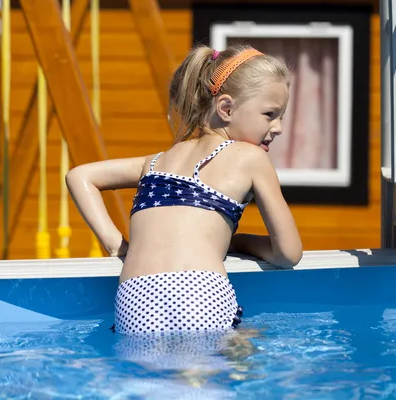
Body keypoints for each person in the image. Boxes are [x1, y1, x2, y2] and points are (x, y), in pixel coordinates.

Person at [66, 44, 303, 336]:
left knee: (149, 378)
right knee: (237, 354)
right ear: (226, 108)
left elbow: (80, 176)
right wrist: (240, 242)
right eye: (270, 114)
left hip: (135, 299)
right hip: (199, 294)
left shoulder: (154, 162)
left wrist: (116, 245)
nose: (278, 127)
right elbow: (288, 253)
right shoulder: (250, 156)